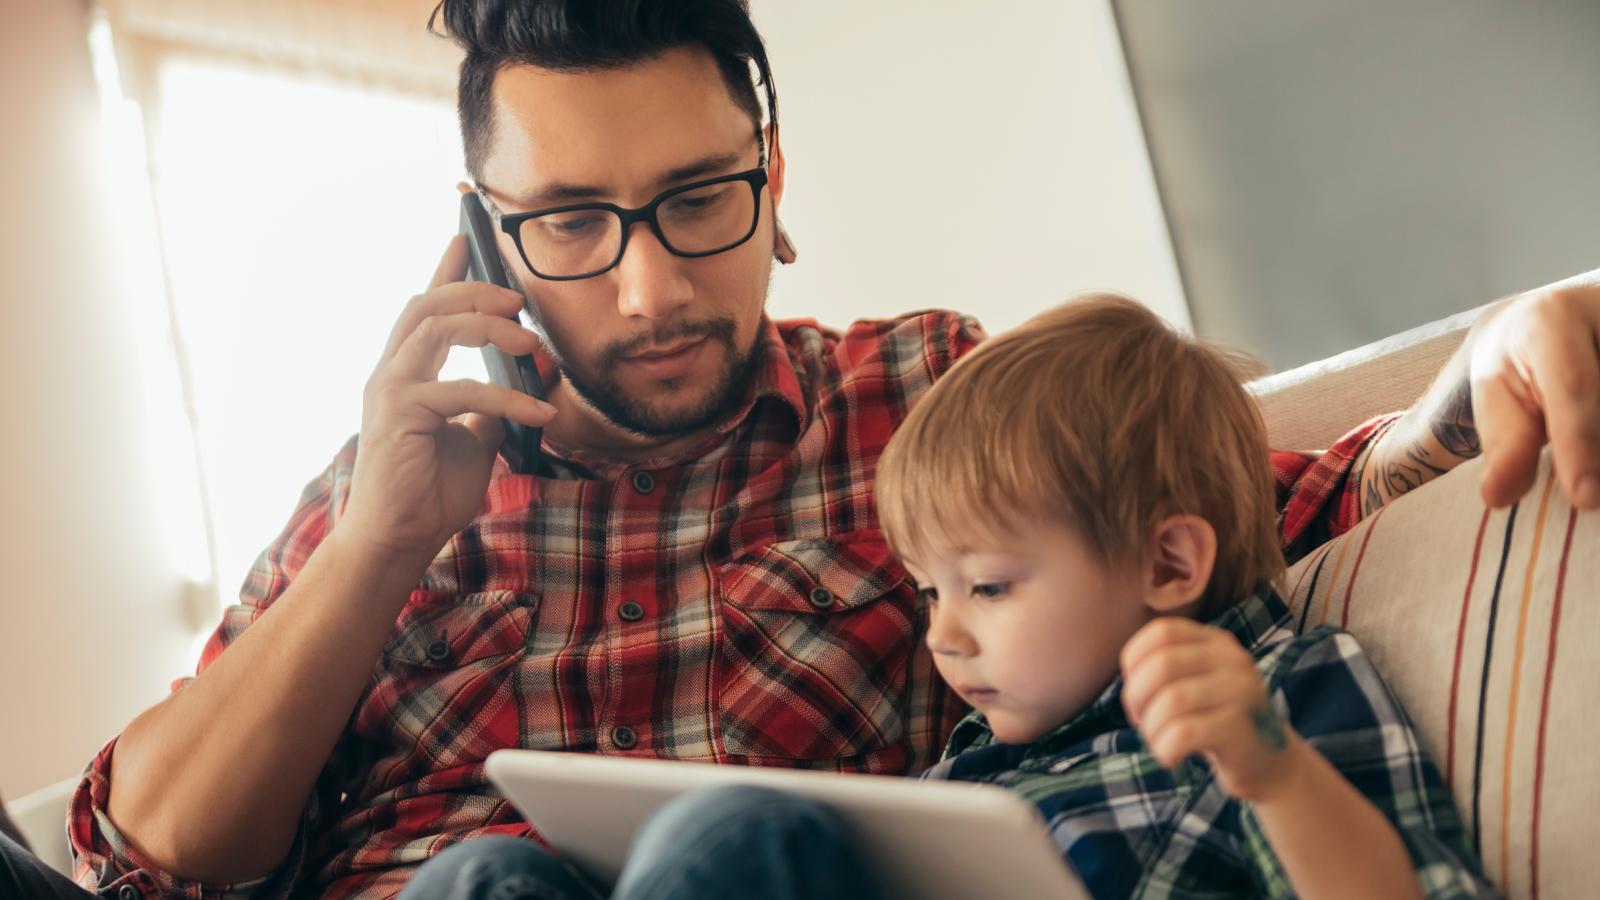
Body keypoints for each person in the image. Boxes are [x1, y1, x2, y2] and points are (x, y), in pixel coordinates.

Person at [3, 0, 1596, 896]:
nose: (650, 282)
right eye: (569, 223)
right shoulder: (389, 480)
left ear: (773, 177)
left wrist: (1491, 356)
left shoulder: (921, 402)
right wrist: (376, 549)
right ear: (480, 236)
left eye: (701, 198)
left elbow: (1247, 505)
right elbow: (133, 857)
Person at [871, 295, 1497, 898]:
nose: (942, 638)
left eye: (988, 587)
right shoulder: (980, 743)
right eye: (930, 591)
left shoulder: (1274, 699)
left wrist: (1279, 778)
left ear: (1168, 565)